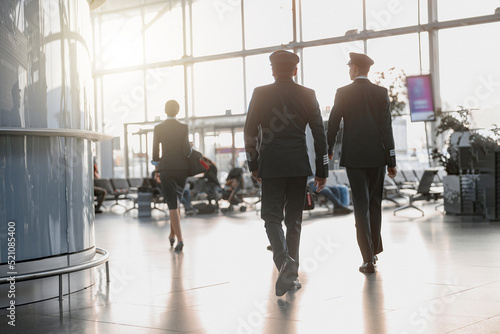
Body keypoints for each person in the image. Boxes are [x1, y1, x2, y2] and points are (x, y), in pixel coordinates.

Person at [244, 50, 328, 296]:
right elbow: (319, 134)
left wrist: (254, 163)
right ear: (295, 71)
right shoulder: (307, 94)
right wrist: (322, 170)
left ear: (272, 70)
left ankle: (284, 263)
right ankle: (291, 275)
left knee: (271, 218)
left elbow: (249, 131)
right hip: (298, 166)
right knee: (294, 221)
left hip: (271, 165)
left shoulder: (261, 93)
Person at [327, 52, 397, 274]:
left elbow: (334, 123)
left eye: (350, 67)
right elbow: (386, 127)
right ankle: (374, 250)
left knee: (360, 206)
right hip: (377, 157)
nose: (349, 70)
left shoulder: (343, 93)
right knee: (375, 203)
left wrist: (328, 148)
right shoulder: (380, 93)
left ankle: (367, 258)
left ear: (356, 69)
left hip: (355, 158)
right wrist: (391, 160)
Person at [152, 100, 191, 252]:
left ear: (165, 110)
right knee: (177, 202)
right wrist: (190, 148)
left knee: (172, 204)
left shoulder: (158, 128)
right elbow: (186, 150)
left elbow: (155, 152)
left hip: (166, 168)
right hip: (182, 169)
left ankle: (180, 240)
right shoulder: (183, 127)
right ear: (178, 110)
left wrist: (157, 171)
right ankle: (171, 235)